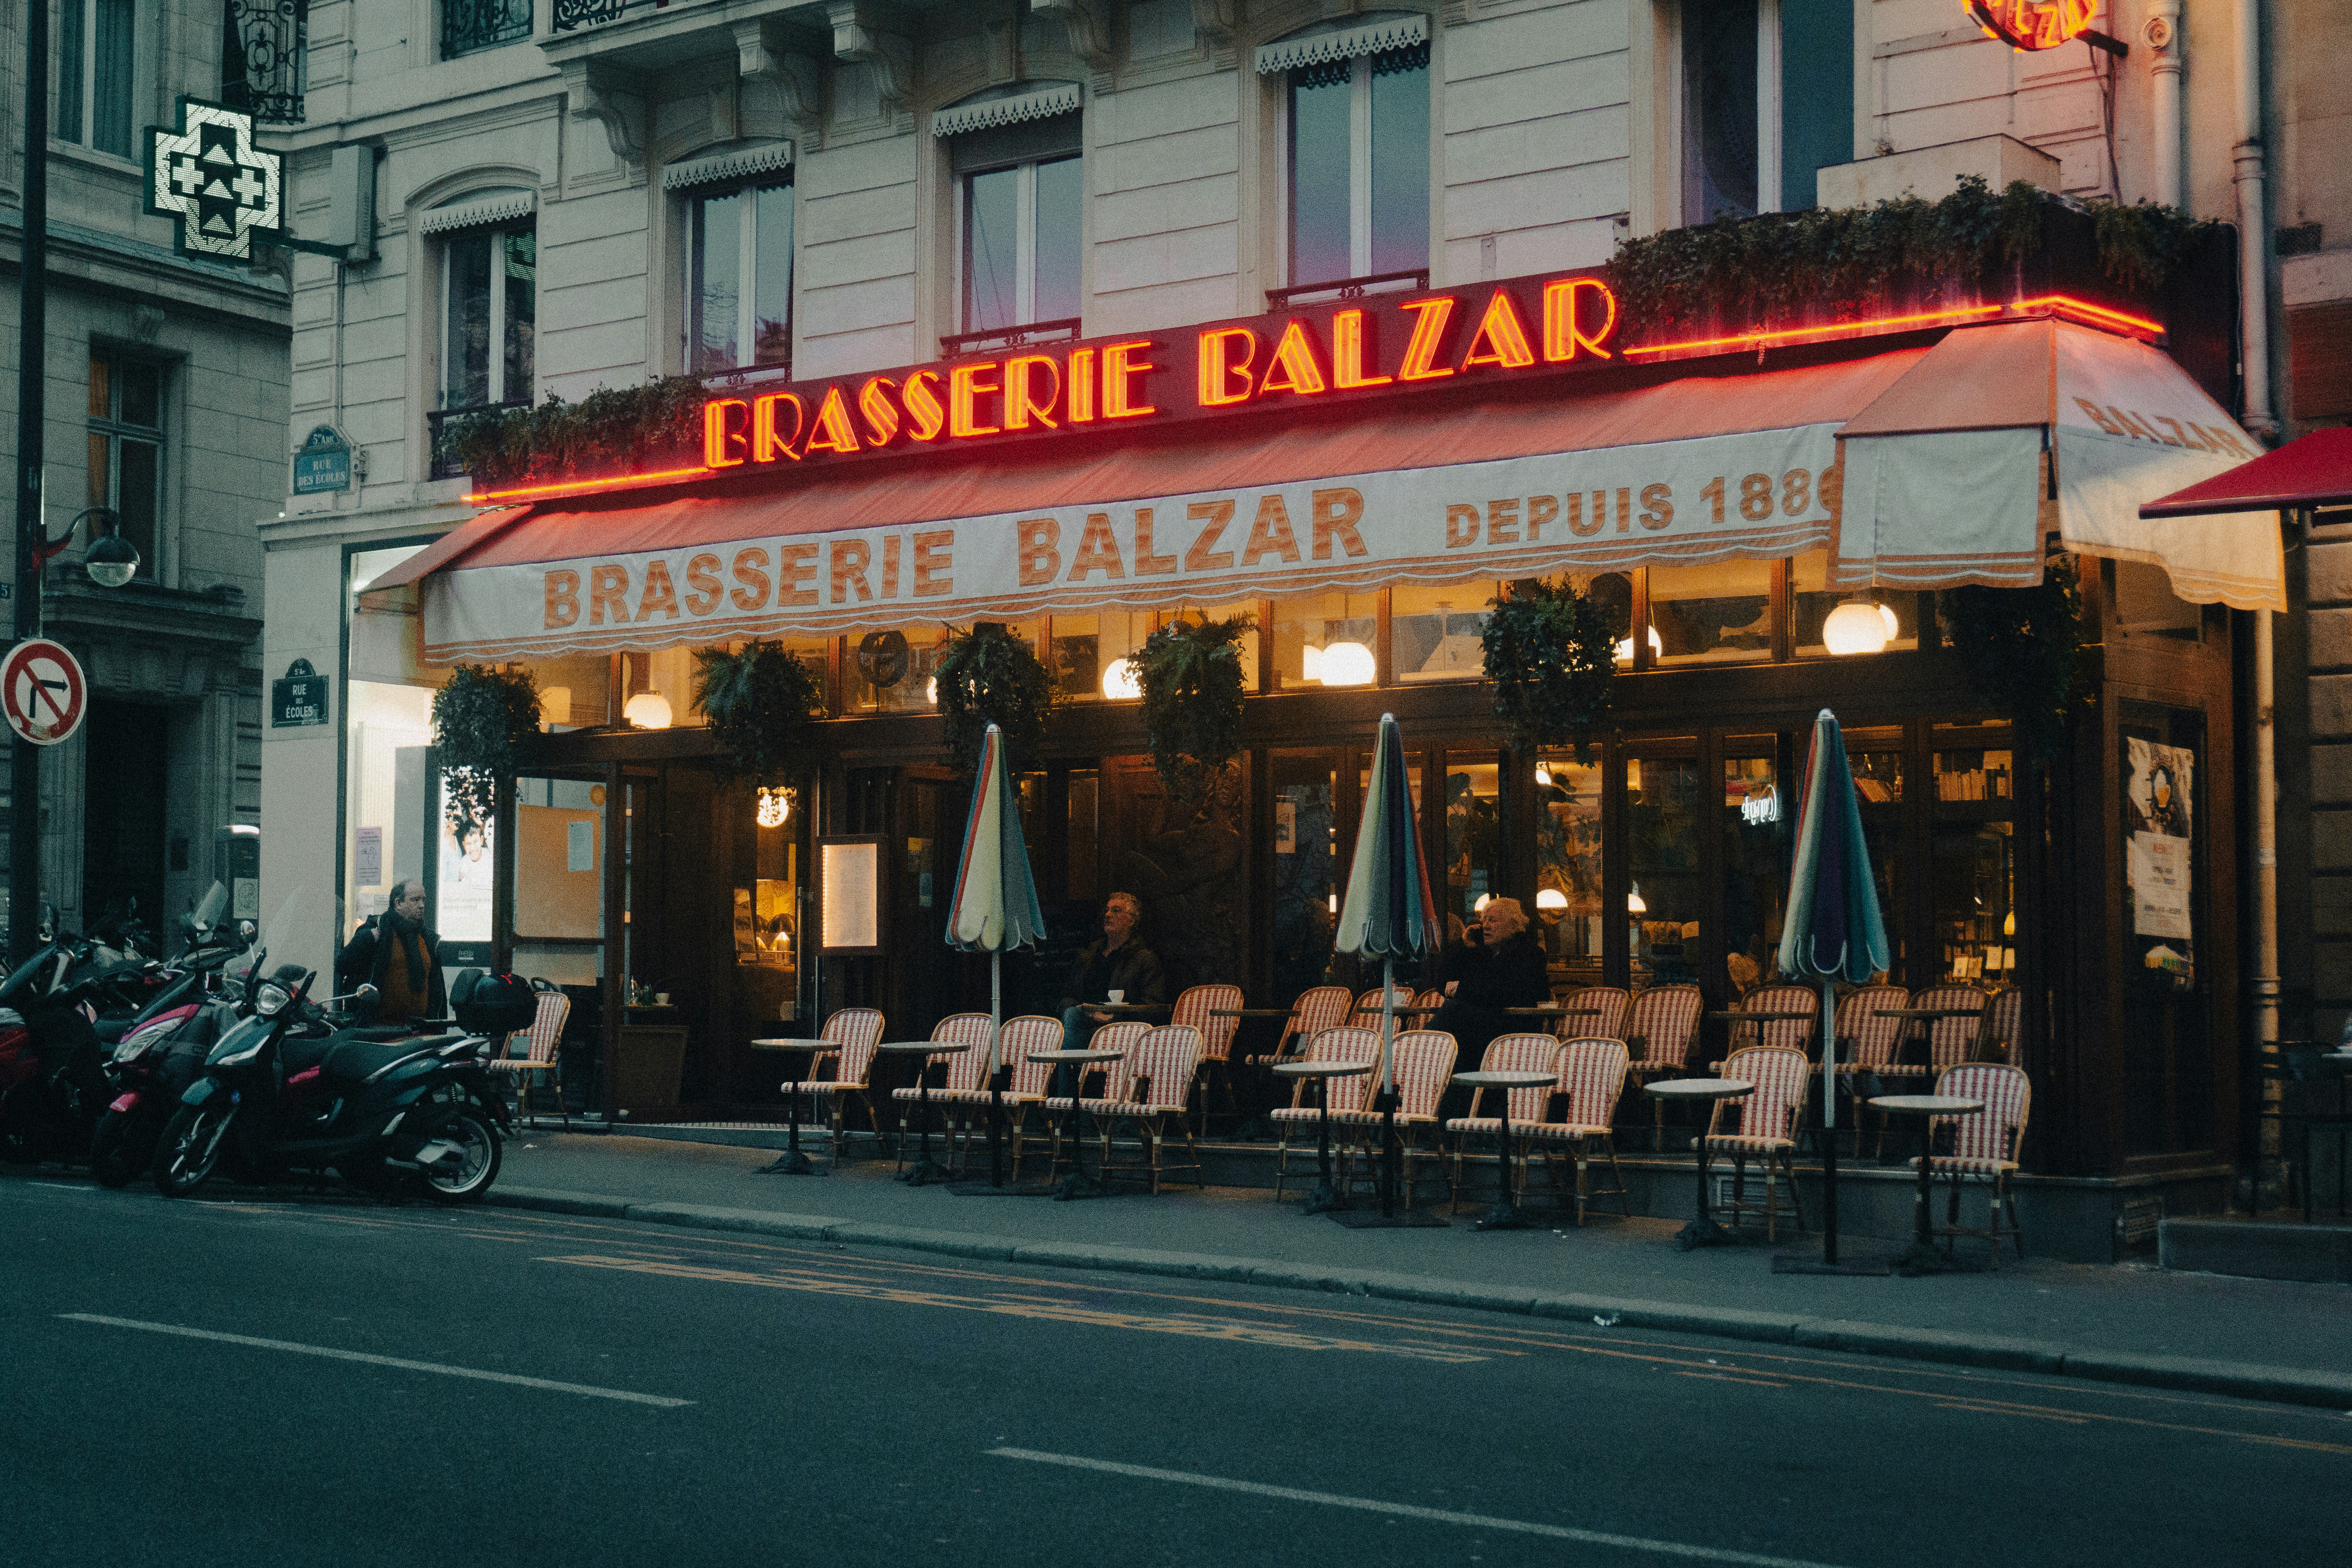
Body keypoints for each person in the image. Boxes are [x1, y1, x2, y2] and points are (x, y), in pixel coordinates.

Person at [1055, 891, 1167, 1096]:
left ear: (1131, 921)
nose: (1108, 915)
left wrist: (1114, 1017)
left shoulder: (1144, 959)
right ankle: (1067, 1105)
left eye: (1116, 911)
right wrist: (1081, 1009)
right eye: (1107, 910)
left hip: (1122, 1028)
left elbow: (1154, 1006)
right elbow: (1067, 996)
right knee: (1071, 1015)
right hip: (1084, 1023)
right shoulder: (1089, 955)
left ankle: (1071, 1105)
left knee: (1073, 1023)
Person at [1427, 897, 1549, 1067]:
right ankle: (1427, 1051)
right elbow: (1443, 982)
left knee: (1454, 1010)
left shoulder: (1529, 954)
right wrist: (1464, 946)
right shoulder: (1482, 952)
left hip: (1511, 1028)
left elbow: (1500, 991)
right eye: (1484, 920)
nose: (1486, 926)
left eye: (1493, 920)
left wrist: (1462, 989)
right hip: (1481, 1027)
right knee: (1453, 1010)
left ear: (1513, 926)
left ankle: (1424, 1049)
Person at [336, 878, 446, 1024]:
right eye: (415, 900)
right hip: (379, 1031)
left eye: (423, 900)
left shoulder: (429, 940)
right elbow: (342, 964)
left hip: (420, 1031)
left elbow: (437, 990)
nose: (422, 906)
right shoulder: (377, 931)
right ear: (398, 903)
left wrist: (439, 1026)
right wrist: (366, 939)